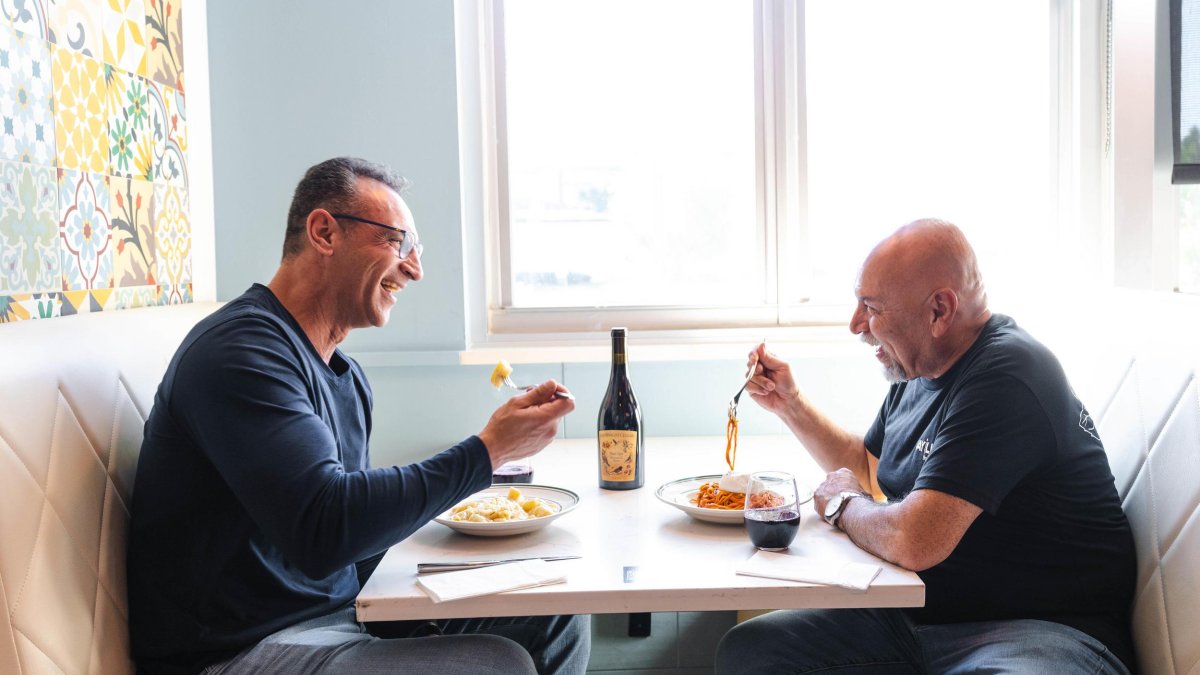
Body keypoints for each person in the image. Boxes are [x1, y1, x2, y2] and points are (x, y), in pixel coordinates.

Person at [127, 157, 589, 675]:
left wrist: (467, 573)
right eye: (399, 243)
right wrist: (489, 450)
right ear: (324, 232)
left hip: (340, 620)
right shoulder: (241, 354)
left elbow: (357, 544)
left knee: (552, 614)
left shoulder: (344, 375)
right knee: (494, 664)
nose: (415, 268)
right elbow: (325, 529)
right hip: (238, 653)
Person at [716, 219, 1136, 674]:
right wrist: (790, 405)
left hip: (1041, 630)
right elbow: (869, 467)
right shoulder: (917, 369)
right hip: (924, 619)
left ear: (939, 310)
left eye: (871, 307)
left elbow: (914, 539)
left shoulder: (1008, 376)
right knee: (752, 651)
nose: (856, 324)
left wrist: (840, 503)